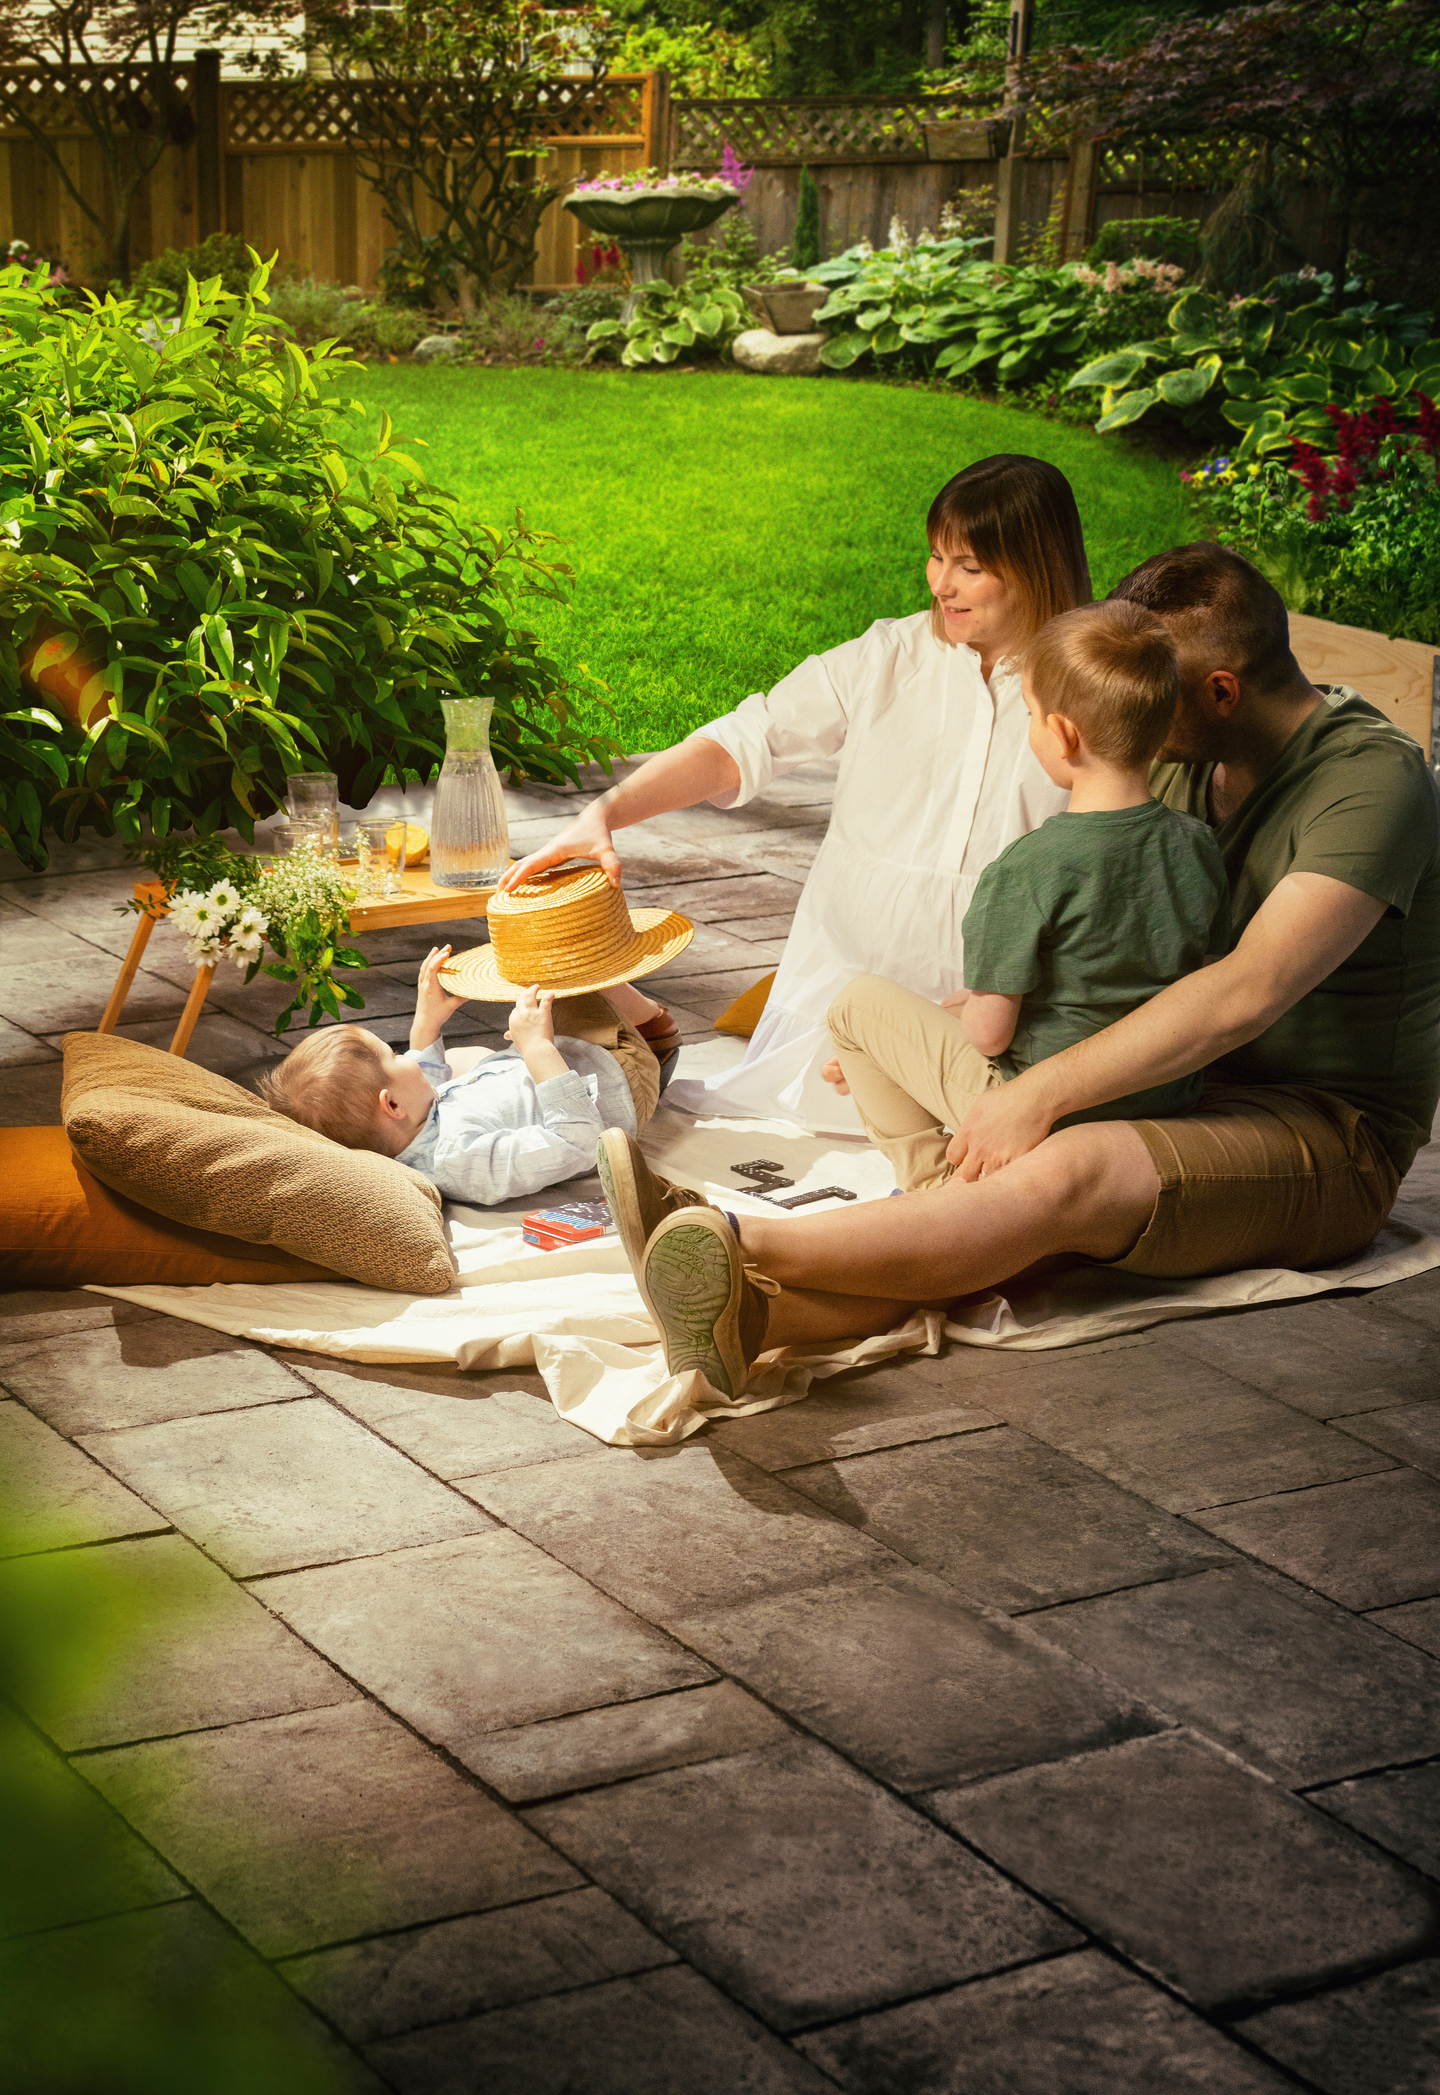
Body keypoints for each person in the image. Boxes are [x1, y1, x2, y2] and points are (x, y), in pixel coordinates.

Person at [595, 543, 1440, 1399]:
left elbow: (1246, 992)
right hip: (1182, 1088)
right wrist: (945, 1031)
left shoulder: (1371, 781)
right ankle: (760, 1318)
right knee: (1017, 1203)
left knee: (1064, 1169)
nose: (1133, 711)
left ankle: (726, 1237)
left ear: (1222, 690)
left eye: (1154, 688)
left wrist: (1036, 1094)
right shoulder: (1188, 764)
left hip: (1327, 1136)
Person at [503, 454, 1090, 1133]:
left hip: (999, 998)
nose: (941, 585)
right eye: (935, 557)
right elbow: (749, 739)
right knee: (810, 1128)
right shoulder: (888, 655)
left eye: (970, 567)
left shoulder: (1083, 679)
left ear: (1037, 565)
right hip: (850, 980)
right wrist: (606, 811)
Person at [829, 598, 1230, 1191]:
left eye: (1030, 713)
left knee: (854, 1007)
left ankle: (935, 1185)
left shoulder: (1027, 867)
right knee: (915, 1022)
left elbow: (990, 1033)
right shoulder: (1196, 844)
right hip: (1160, 1095)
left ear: (1063, 734)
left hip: (1039, 1106)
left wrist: (924, 1044)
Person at [258, 945, 675, 1206]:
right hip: (615, 1076)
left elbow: (424, 1083)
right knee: (571, 960)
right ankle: (657, 1031)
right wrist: (538, 1049)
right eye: (394, 1055)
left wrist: (426, 1024)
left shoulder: (408, 1129)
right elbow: (582, 1143)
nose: (408, 1056)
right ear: (391, 1105)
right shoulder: (460, 1163)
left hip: (560, 1055)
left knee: (545, 970)